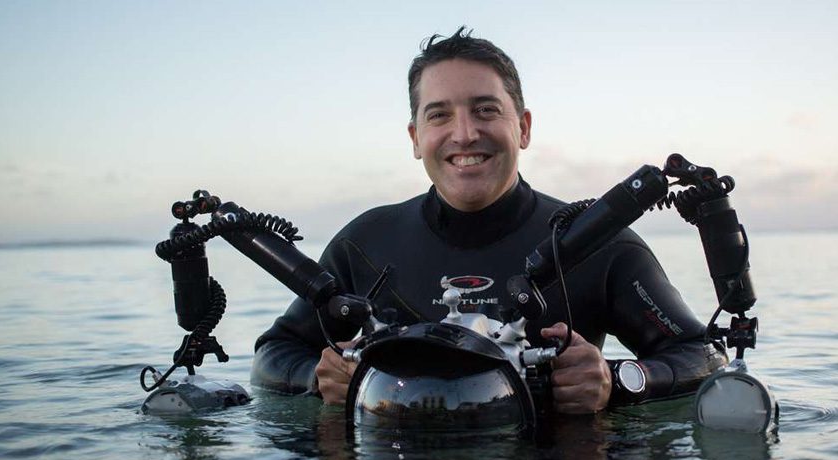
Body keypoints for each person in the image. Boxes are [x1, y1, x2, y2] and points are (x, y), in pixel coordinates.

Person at [251, 28, 726, 413]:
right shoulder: (364, 244)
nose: (464, 133)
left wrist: (619, 379)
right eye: (439, 116)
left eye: (485, 110)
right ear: (416, 138)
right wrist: (319, 377)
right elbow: (273, 356)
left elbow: (702, 353)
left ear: (523, 127)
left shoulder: (600, 243)